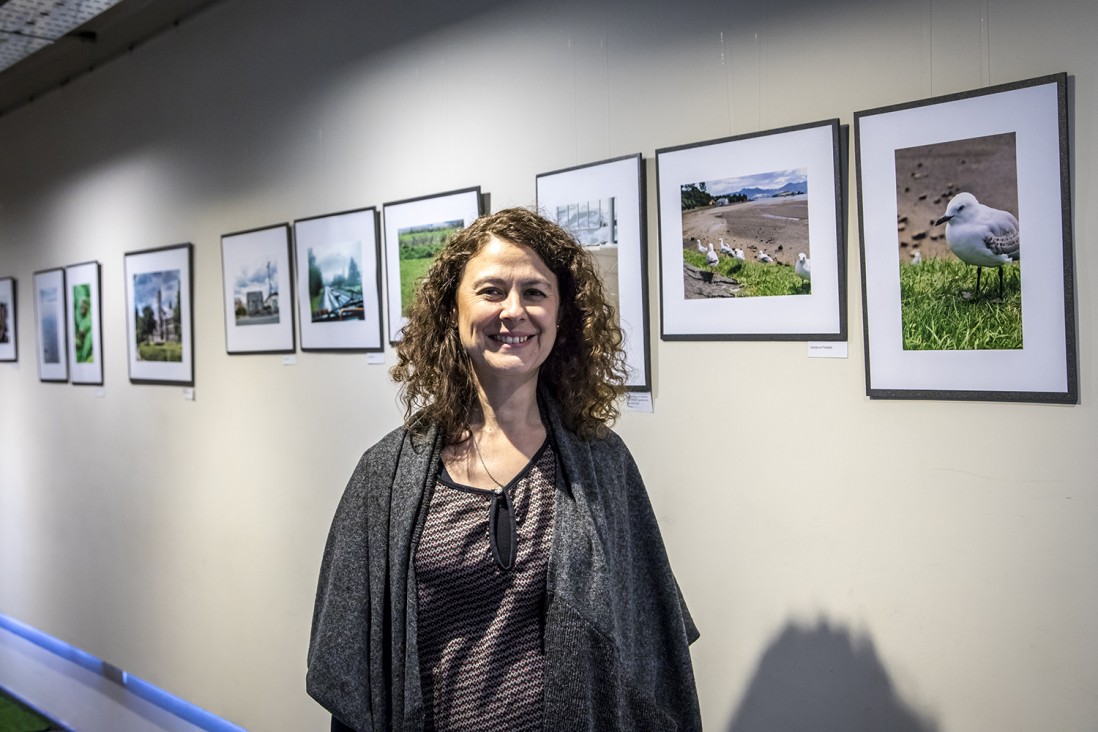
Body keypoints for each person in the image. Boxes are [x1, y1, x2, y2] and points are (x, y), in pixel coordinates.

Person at [307, 207, 701, 731]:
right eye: (491, 291)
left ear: (562, 316)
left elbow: (650, 646)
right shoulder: (385, 474)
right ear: (454, 310)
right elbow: (353, 664)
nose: (513, 311)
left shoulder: (603, 465)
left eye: (535, 292)